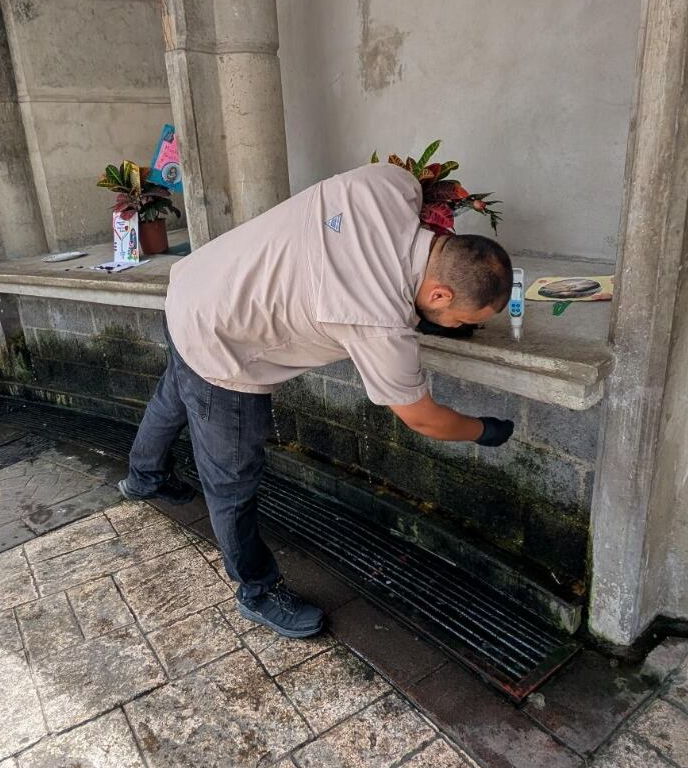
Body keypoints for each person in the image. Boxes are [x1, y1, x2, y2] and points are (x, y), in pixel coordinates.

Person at [120, 161, 515, 639]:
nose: (457, 328)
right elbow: (424, 419)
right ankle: (257, 590)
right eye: (459, 318)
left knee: (176, 394)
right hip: (224, 344)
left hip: (195, 286)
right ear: (439, 292)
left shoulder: (391, 185)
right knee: (231, 478)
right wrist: (486, 430)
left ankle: (144, 477)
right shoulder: (379, 319)